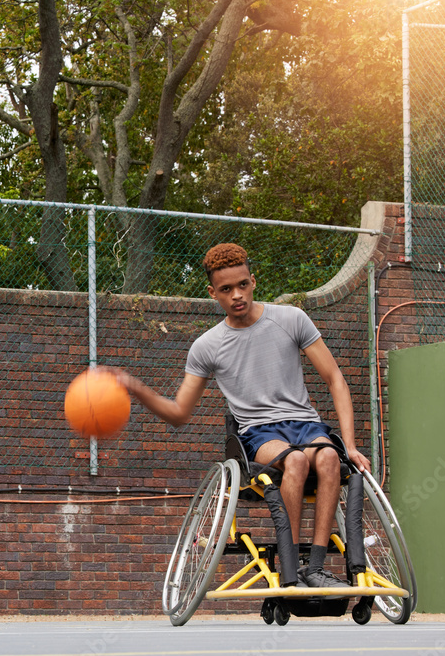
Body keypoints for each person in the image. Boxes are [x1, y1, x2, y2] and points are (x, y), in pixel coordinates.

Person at [110, 243, 371, 589]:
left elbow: (335, 379)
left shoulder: (291, 319)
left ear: (253, 280)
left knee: (328, 458)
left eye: (243, 285)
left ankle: (316, 568)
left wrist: (349, 445)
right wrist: (133, 386)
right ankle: (291, 568)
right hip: (258, 433)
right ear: (212, 293)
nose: (237, 295)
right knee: (295, 463)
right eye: (226, 289)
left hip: (305, 424)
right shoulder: (207, 346)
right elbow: (178, 414)